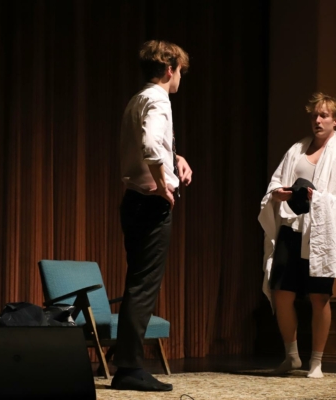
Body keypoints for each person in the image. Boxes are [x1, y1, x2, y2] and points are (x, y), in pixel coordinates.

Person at [258, 92, 336, 378]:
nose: (317, 120)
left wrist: (318, 198)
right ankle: (291, 356)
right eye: (314, 115)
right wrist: (278, 193)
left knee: (319, 297)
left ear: (335, 120)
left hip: (320, 234)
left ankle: (316, 361)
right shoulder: (296, 150)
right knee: (281, 292)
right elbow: (277, 180)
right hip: (292, 229)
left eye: (324, 115)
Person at [111, 40, 193, 392]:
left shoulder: (139, 98)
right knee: (144, 287)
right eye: (181, 72)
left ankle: (126, 361)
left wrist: (177, 159)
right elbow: (148, 144)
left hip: (134, 200)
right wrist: (163, 185)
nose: (180, 79)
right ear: (170, 69)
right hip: (150, 203)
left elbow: (148, 142)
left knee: (138, 284)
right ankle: (129, 368)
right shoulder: (159, 100)